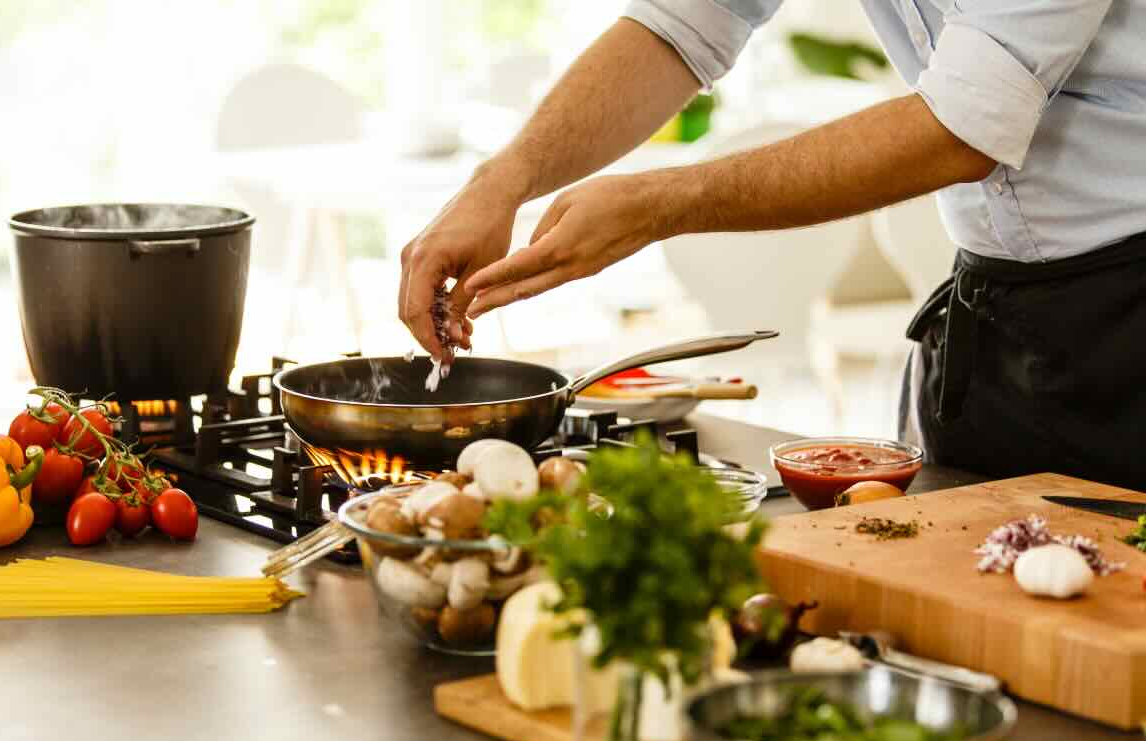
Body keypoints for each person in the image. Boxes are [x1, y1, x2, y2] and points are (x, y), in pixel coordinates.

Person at [398, 1, 1146, 487]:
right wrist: (502, 180)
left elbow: (963, 127)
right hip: (989, 317)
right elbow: (685, 21)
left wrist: (660, 203)